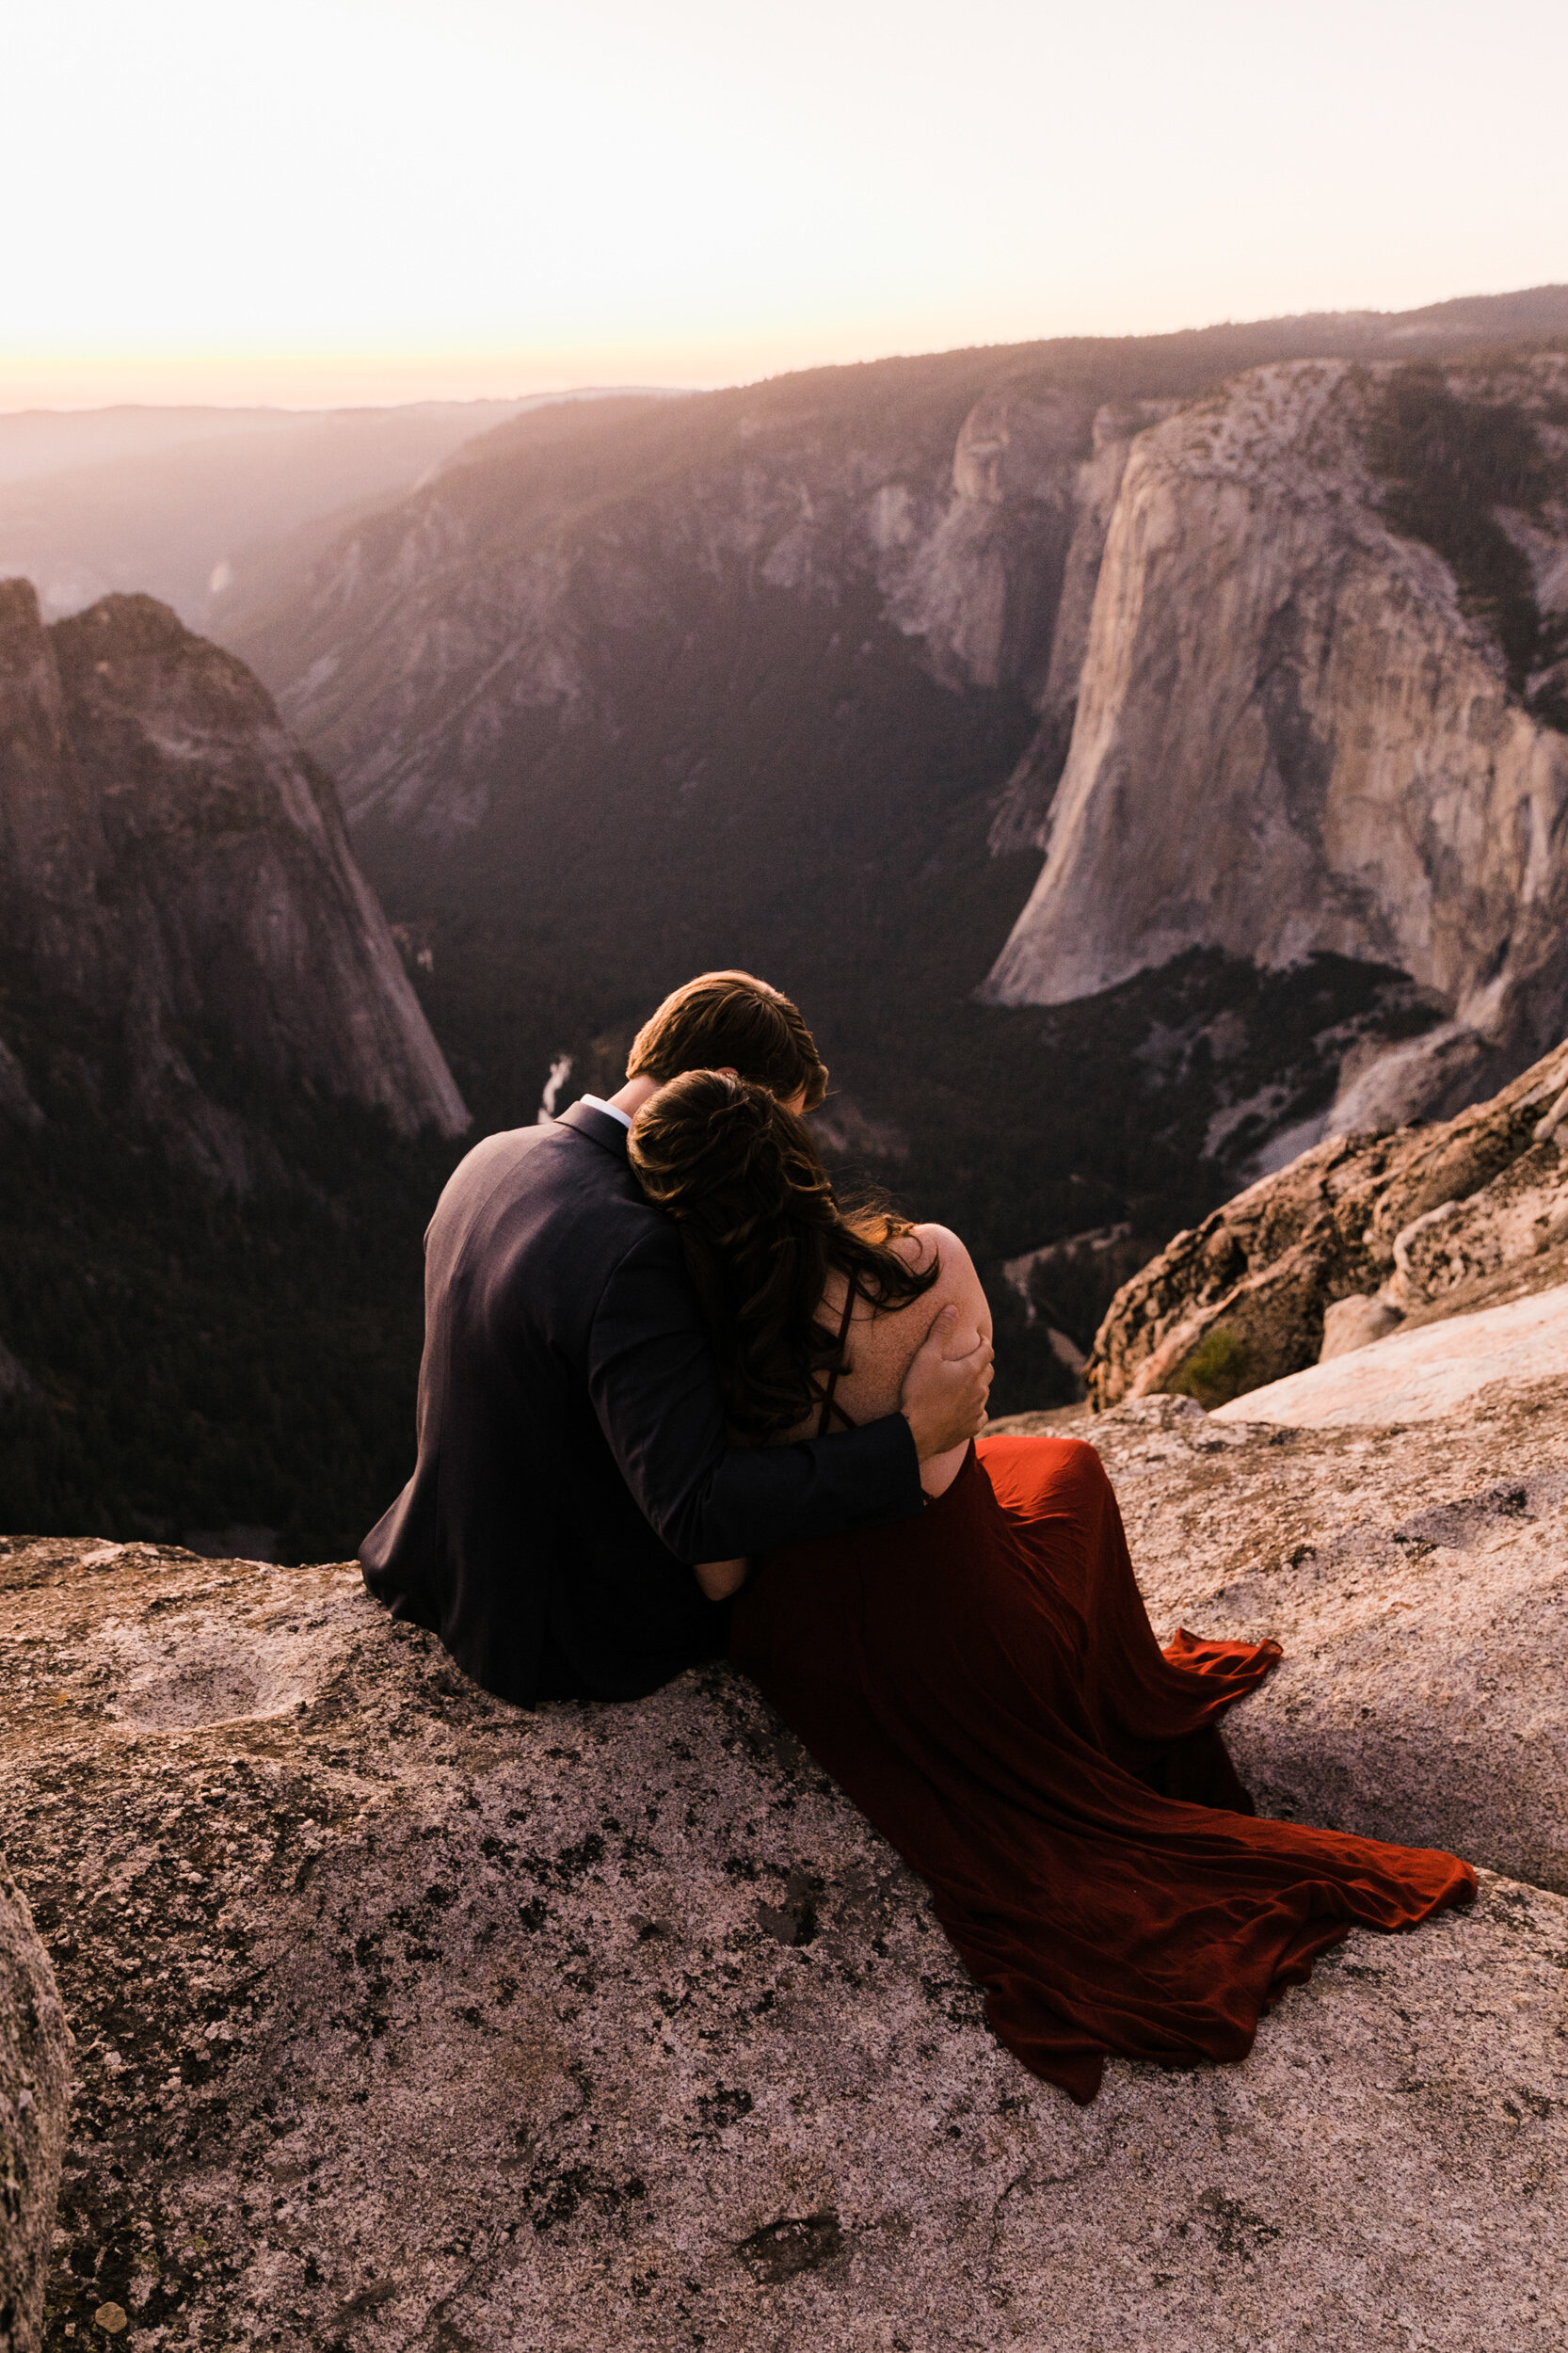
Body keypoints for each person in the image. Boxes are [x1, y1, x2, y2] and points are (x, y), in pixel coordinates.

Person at [626, 1069, 1478, 2106]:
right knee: (1063, 1469)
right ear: (795, 1162)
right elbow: (961, 1439)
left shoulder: (692, 1345)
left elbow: (720, 1569)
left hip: (816, 1645)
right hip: (961, 1606)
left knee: (1043, 1470)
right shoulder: (925, 1260)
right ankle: (1113, 1708)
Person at [360, 971, 992, 1705]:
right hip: (560, 1638)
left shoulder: (493, 1155)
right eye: (782, 1123)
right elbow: (698, 1510)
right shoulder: (644, 1244)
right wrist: (906, 1443)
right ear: (724, 1084)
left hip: (432, 1565)